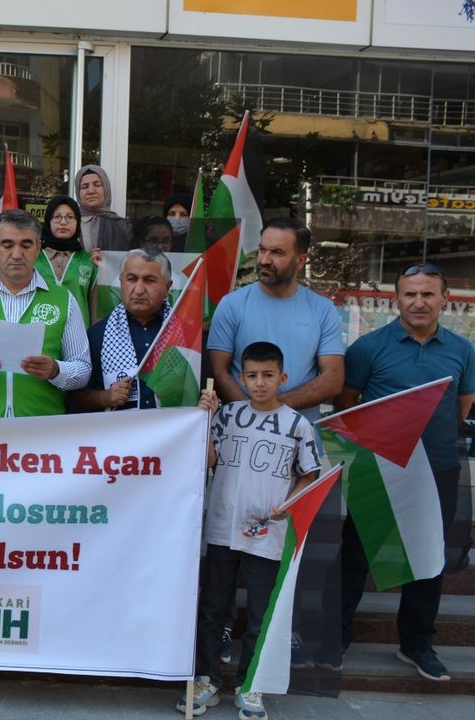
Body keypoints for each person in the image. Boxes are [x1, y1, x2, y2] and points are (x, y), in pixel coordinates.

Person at [317, 262, 475, 681]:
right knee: (356, 554)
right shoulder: (368, 347)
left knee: (428, 556)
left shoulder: (463, 350)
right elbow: (348, 404)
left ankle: (417, 645)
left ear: (445, 299)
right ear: (397, 299)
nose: (418, 302)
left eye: (428, 294)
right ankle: (335, 638)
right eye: (410, 294)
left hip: (437, 469)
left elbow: (461, 407)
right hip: (379, 468)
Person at [180, 342, 320, 719]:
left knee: (259, 614)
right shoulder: (227, 414)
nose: (260, 383)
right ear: (241, 378)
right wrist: (205, 420)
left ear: (282, 377)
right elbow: (208, 460)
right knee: (213, 609)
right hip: (222, 528)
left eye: (268, 375)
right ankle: (207, 680)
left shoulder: (298, 424)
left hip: (267, 533)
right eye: (253, 376)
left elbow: (309, 474)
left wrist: (289, 504)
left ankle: (250, 684)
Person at [0, 209, 91, 418]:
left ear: (38, 247)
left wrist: (56, 370)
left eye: (26, 245)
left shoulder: (63, 299)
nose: (17, 254)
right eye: (7, 245)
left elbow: (83, 369)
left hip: (42, 426)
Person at [208, 217, 344, 426]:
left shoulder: (323, 310)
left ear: (300, 261)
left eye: (277, 252)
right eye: (262, 250)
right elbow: (218, 372)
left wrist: (269, 409)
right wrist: (252, 416)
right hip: (238, 433)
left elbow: (332, 380)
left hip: (299, 436)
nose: (264, 260)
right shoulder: (231, 304)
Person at [73, 249, 172, 411]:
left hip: (173, 426)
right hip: (119, 427)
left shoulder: (185, 334)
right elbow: (75, 396)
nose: (139, 290)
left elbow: (198, 389)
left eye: (149, 280)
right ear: (121, 282)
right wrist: (105, 398)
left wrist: (207, 401)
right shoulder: (98, 335)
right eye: (131, 279)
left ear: (167, 287)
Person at [37, 196, 97, 326]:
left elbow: (96, 310)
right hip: (41, 334)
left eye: (70, 217)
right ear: (48, 221)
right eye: (57, 217)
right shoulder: (34, 259)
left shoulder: (89, 261)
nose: (63, 222)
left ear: (77, 222)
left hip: (78, 334)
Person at [73, 164, 129, 252]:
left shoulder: (122, 226)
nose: (91, 191)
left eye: (97, 185)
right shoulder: (70, 223)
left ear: (106, 189)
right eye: (84, 187)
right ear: (78, 192)